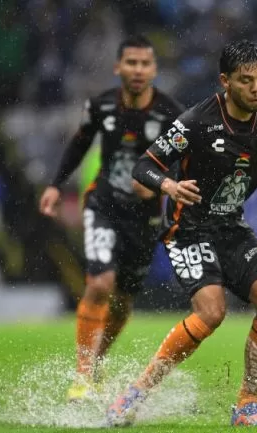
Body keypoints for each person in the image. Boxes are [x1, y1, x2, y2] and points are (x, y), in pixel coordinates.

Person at [105, 40, 257, 427]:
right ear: (225, 82)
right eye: (246, 80)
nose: (256, 88)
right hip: (188, 228)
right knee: (212, 312)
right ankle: (134, 394)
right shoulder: (196, 121)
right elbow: (144, 166)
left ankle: (247, 408)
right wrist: (168, 186)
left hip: (232, 226)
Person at [38, 35, 184, 401]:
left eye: (144, 64)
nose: (137, 70)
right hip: (103, 206)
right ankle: (83, 377)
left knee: (122, 300)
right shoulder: (101, 106)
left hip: (144, 219)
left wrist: (161, 187)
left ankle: (97, 365)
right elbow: (79, 142)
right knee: (99, 283)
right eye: (130, 63)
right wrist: (56, 185)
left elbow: (185, 162)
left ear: (154, 69)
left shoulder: (171, 114)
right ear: (117, 67)